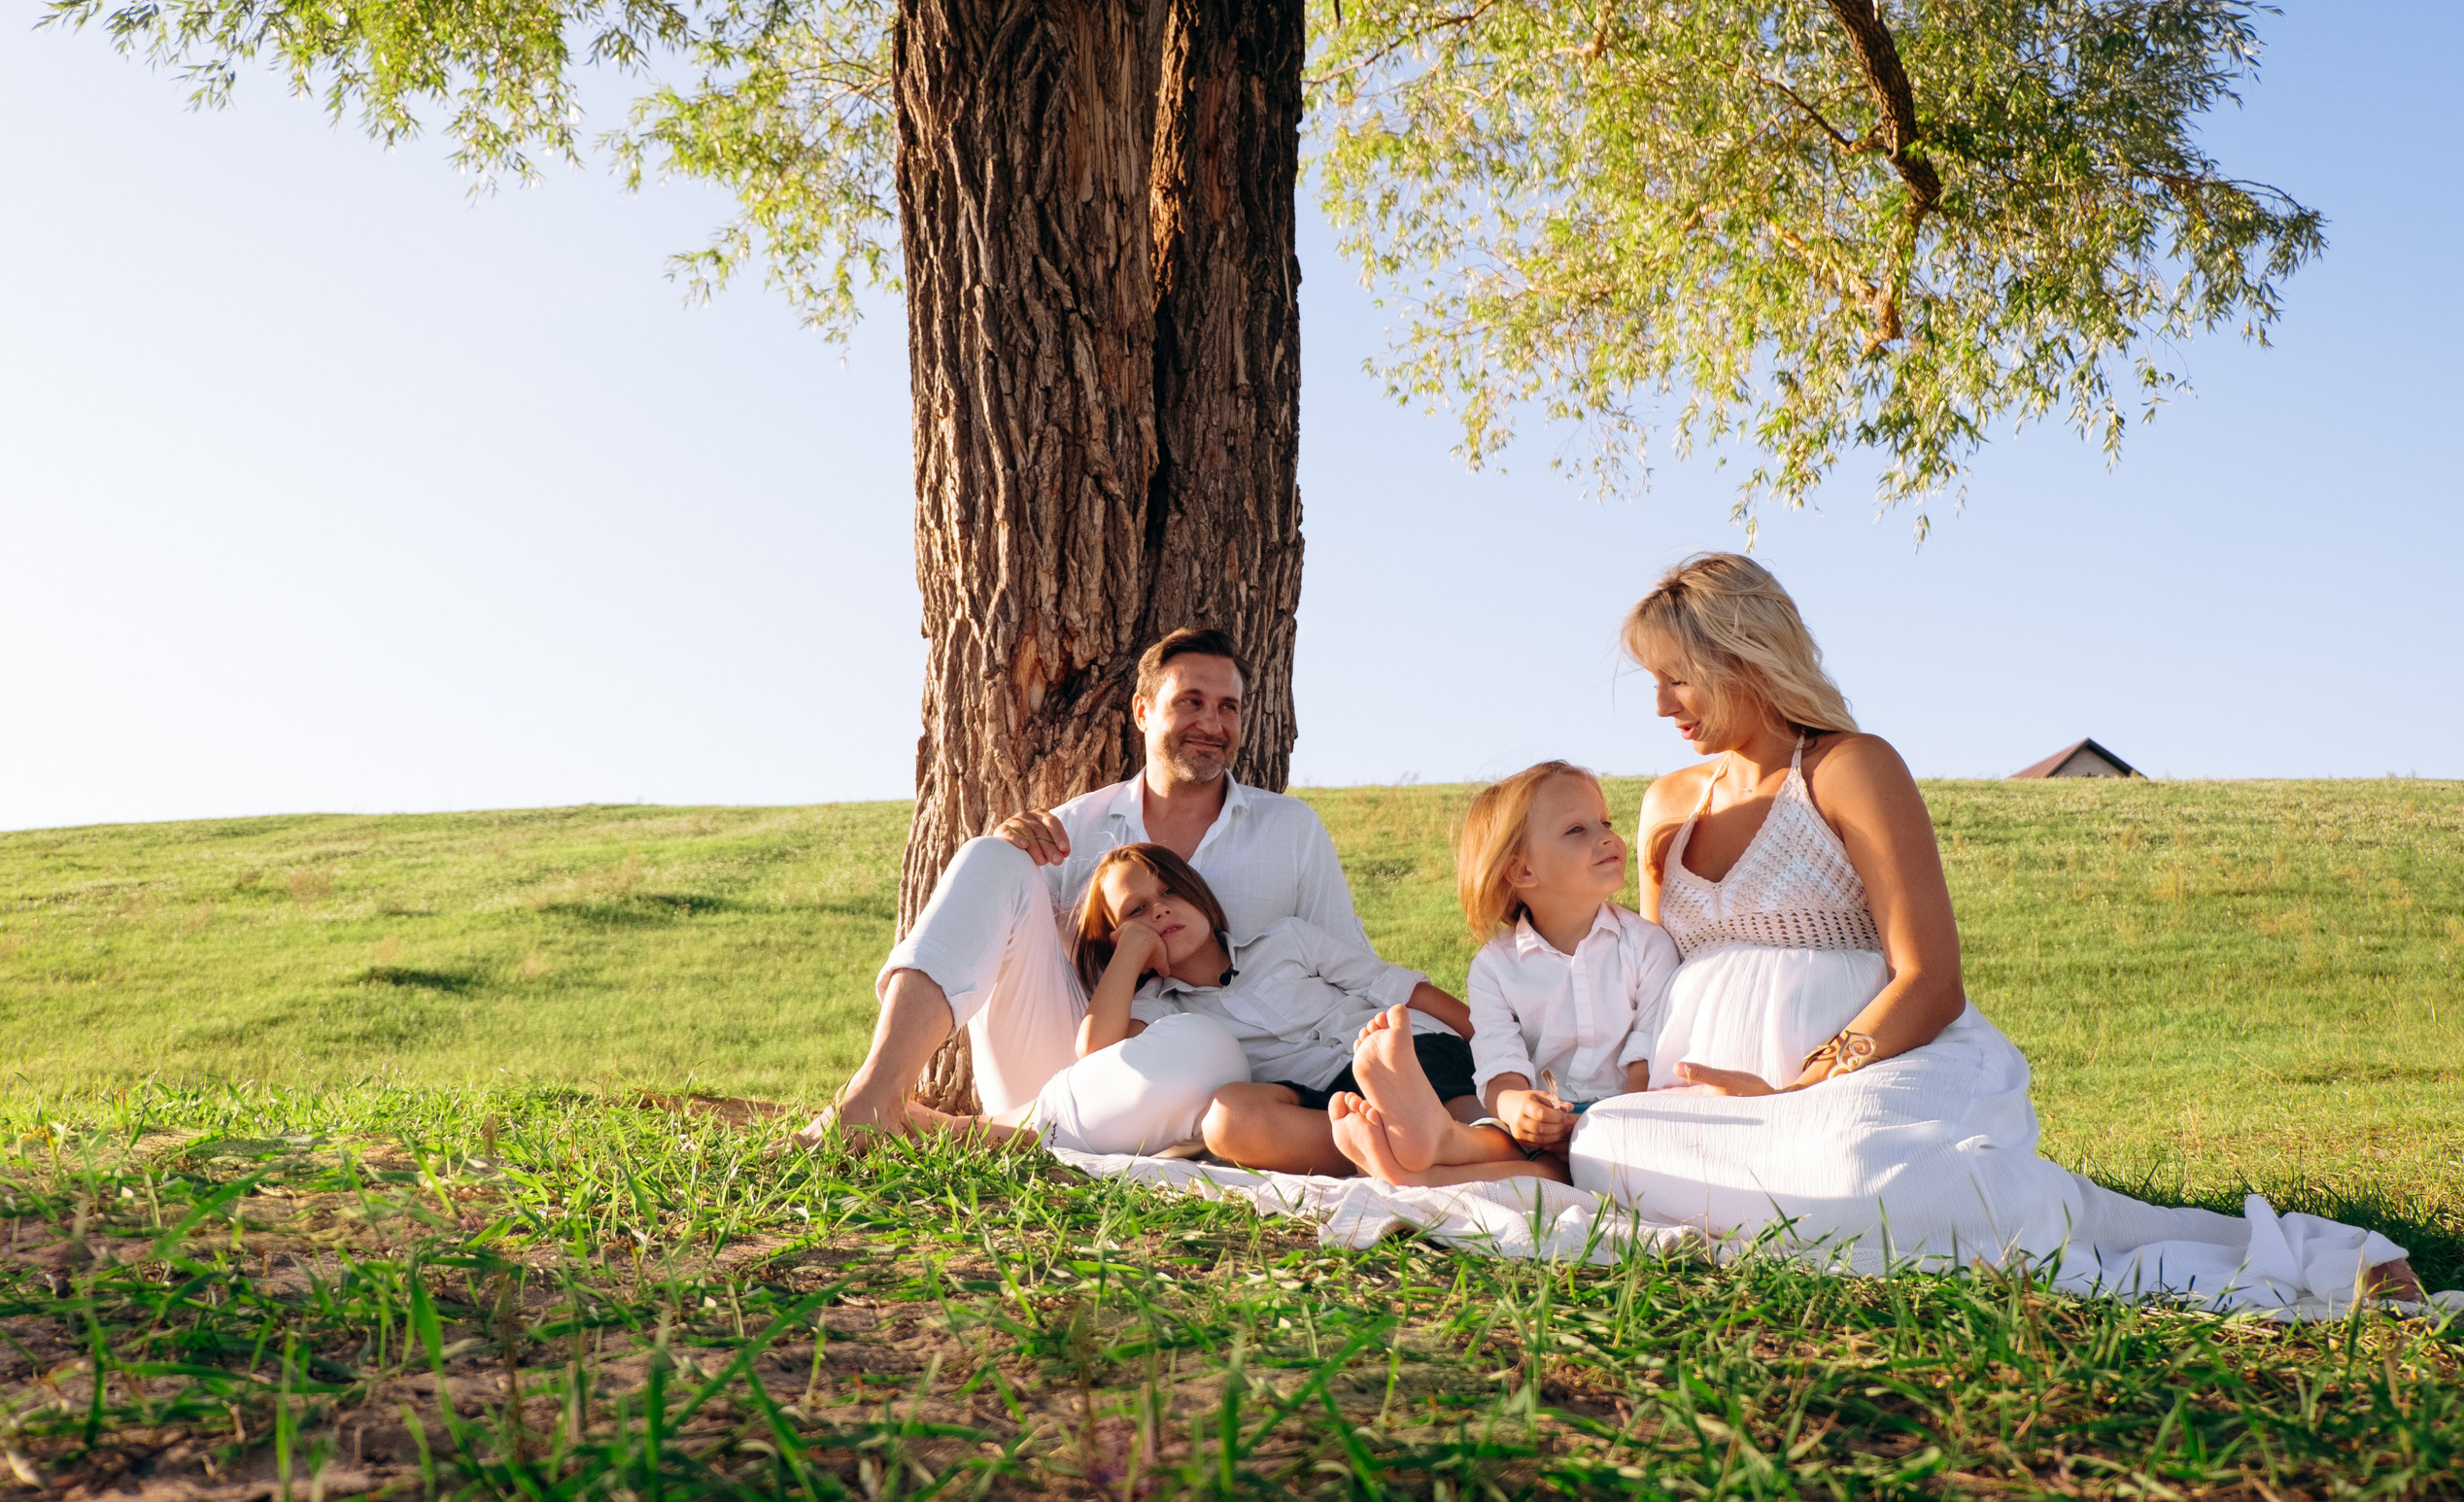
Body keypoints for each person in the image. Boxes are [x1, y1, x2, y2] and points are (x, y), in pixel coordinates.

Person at [1328, 553, 2423, 1303]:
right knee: (1615, 1147)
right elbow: (1645, 980)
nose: (1662, 708)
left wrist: (1798, 1085)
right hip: (1705, 1104)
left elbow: (1929, 978)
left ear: (1744, 653)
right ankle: (1447, 1159)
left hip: (1875, 1071)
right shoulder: (1664, 805)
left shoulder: (1850, 769)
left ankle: (2304, 1255)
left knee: (1877, 1182)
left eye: (1677, 679)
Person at [811, 628, 1368, 1144]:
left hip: (1219, 1089)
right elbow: (988, 913)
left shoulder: (1290, 830)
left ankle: (983, 1134)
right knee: (993, 855)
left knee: (1206, 1043)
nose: (1212, 723)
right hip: (1067, 1067)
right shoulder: (1076, 827)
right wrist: (1009, 849)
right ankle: (873, 1097)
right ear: (1142, 711)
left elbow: (1347, 965)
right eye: (1190, 702)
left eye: (1229, 707)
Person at [1321, 761, 1678, 1182]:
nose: (1607, 836)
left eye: (1605, 822)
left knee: (1554, 1171)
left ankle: (1416, 1167)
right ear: (1522, 871)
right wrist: (1517, 1107)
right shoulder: (1494, 967)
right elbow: (1499, 1061)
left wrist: (1612, 1125)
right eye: (1576, 830)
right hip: (1540, 1125)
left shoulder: (1648, 946)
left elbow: (1648, 1056)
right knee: (1500, 1138)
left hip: (1622, 1118)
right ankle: (1435, 1139)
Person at [1027, 843, 1476, 1164]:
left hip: (1407, 1055)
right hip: (1327, 1106)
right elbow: (1097, 1051)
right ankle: (1410, 1149)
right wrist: (1131, 951)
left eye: (1169, 892)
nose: (1159, 911)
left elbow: (1399, 988)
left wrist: (1494, 1043)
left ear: (1200, 897)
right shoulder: (1164, 1013)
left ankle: (1430, 1144)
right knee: (1227, 1121)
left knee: (1457, 1108)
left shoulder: (1287, 939)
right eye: (1136, 912)